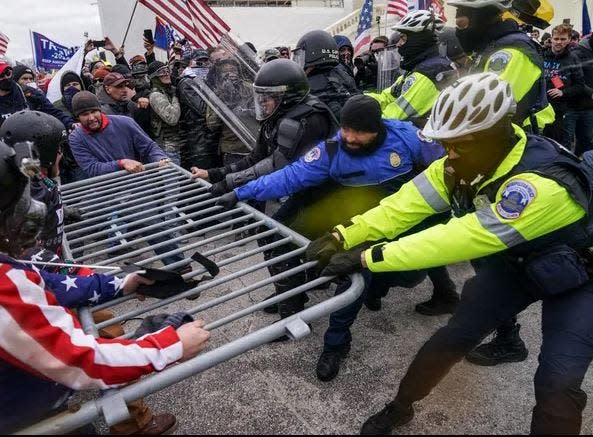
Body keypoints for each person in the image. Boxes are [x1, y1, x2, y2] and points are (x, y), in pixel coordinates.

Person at [307, 72, 593, 435]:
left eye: (461, 144)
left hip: (579, 275)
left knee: (557, 383)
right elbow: (403, 206)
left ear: (498, 133)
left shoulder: (540, 185)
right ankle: (400, 408)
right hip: (518, 265)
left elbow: (460, 237)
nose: (449, 154)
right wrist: (344, 234)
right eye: (446, 143)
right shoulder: (464, 162)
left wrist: (369, 257)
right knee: (448, 340)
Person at [215, 95, 456, 375]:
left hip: (399, 212)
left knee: (402, 274)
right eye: (346, 129)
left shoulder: (408, 138)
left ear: (378, 129)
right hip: (351, 213)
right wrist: (240, 192)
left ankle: (391, 290)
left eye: (359, 132)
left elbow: (445, 169)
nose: (350, 137)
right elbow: (289, 176)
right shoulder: (331, 148)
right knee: (339, 262)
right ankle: (331, 338)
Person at [0, 138, 210, 434]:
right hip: (23, 417)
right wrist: (170, 346)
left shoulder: (7, 267)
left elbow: (48, 282)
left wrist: (123, 282)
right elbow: (77, 360)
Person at [449, 0, 555, 366]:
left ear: (486, 17)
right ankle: (499, 321)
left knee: (496, 251)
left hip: (506, 165)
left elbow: (481, 113)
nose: (458, 27)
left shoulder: (510, 53)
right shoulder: (494, 49)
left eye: (463, 19)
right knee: (489, 252)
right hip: (489, 161)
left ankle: (509, 338)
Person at [68, 91, 188, 270]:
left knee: (155, 227)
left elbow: (148, 147)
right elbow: (92, 169)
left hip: (134, 186)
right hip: (103, 190)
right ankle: (71, 273)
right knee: (74, 226)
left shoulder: (124, 123)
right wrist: (122, 163)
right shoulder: (76, 137)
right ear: (77, 117)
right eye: (85, 115)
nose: (91, 117)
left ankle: (181, 270)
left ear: (100, 109)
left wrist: (160, 159)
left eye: (94, 112)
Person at [191, 59, 337, 195]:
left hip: (323, 193)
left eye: (267, 97)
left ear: (285, 97)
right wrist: (212, 174)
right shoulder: (274, 118)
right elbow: (254, 158)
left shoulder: (307, 120)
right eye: (260, 97)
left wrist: (228, 185)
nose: (261, 103)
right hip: (295, 187)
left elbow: (274, 165)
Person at [450, 0, 555, 134]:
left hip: (517, 140)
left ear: (482, 18)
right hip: (496, 139)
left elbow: (486, 110)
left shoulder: (510, 52)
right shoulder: (489, 48)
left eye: (462, 24)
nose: (459, 31)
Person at [370, 10, 457, 129]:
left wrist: (361, 118)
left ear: (418, 40)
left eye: (403, 39)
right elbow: (387, 96)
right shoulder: (418, 68)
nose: (399, 44)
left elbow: (391, 118)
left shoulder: (428, 73)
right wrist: (359, 100)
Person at [292, 30, 356, 120]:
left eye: (301, 56)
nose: (299, 61)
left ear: (312, 54)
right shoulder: (340, 74)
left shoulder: (313, 82)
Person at [542, 24, 587, 146]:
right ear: (551, 38)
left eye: (563, 39)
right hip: (540, 109)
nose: (559, 42)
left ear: (568, 39)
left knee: (560, 145)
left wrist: (563, 92)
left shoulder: (573, 59)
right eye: (556, 39)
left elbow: (580, 86)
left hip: (561, 112)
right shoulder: (541, 55)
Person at [147, 61, 184, 165]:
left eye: (167, 70)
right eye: (162, 72)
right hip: (167, 148)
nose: (167, 74)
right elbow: (172, 118)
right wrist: (175, 96)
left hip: (176, 145)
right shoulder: (156, 95)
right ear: (154, 77)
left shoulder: (167, 91)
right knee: (173, 180)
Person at [568, 32, 593, 156]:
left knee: (586, 140)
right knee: (566, 142)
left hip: (589, 106)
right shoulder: (577, 53)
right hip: (572, 105)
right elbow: (578, 80)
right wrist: (591, 92)